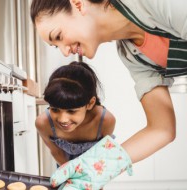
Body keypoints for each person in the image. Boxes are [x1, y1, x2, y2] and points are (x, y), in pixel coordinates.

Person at [30, 0, 187, 189]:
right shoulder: (131, 54)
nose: (64, 52)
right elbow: (162, 129)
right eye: (56, 46)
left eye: (59, 36)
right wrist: (97, 167)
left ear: (78, 4)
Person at [36, 61, 115, 166]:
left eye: (71, 111)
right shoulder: (43, 123)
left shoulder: (105, 120)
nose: (62, 119)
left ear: (90, 103)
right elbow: (57, 152)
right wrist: (71, 175)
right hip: (65, 167)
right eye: (55, 109)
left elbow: (102, 154)